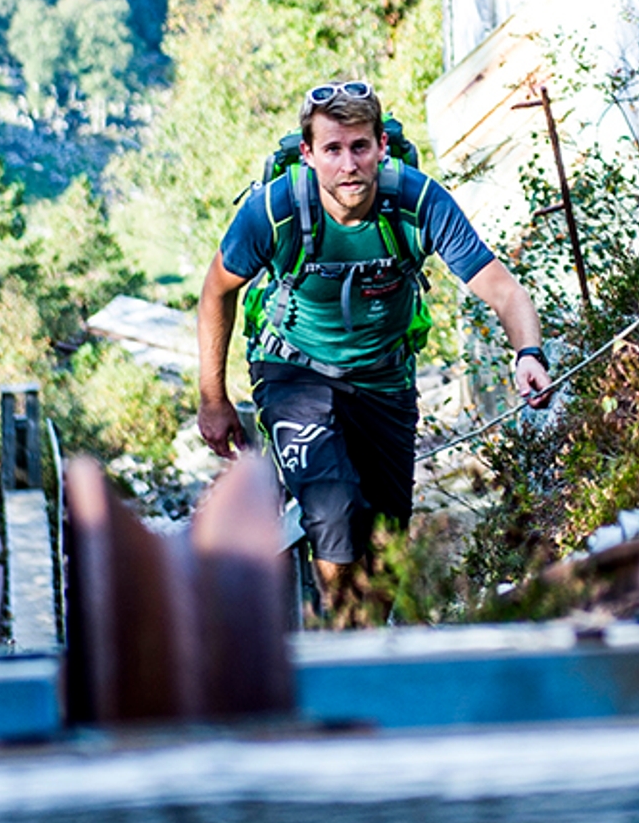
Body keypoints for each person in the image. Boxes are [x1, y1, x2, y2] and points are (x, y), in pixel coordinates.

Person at [195, 79, 546, 621]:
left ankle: (366, 633)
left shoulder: (415, 201)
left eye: (360, 147)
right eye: (332, 149)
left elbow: (501, 287)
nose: (348, 164)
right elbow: (218, 290)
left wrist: (529, 354)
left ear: (381, 145)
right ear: (308, 154)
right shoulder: (276, 209)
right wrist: (213, 399)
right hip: (293, 372)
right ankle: (344, 633)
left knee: (385, 540)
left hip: (385, 380)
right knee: (334, 513)